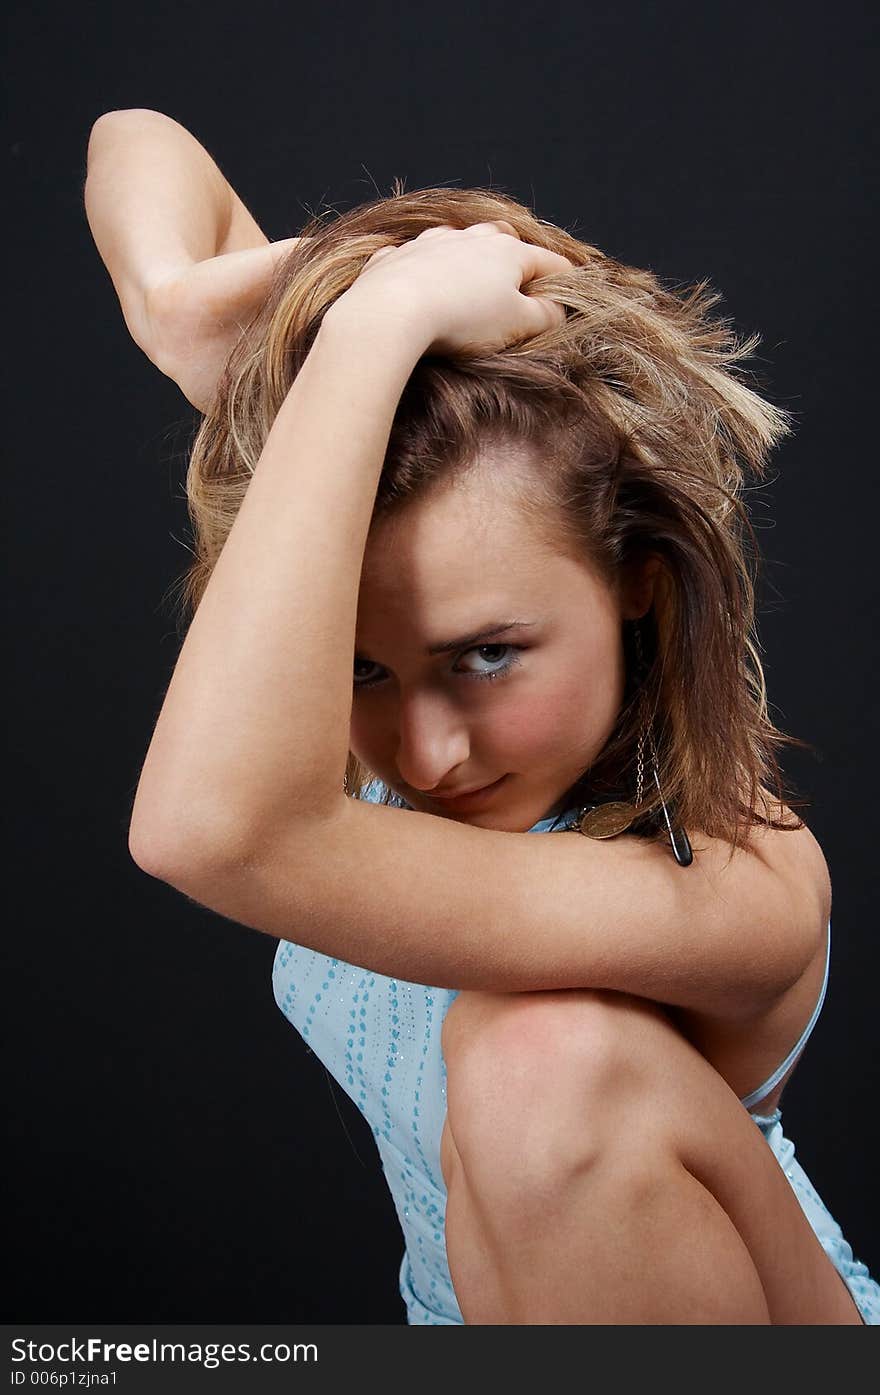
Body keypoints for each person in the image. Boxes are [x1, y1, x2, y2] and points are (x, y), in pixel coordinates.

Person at [85, 108, 879, 1325]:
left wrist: (371, 327)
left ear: (635, 579)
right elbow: (133, 138)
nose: (425, 751)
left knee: (537, 1062)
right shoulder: (369, 592)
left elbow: (211, 831)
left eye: (489, 657)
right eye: (359, 674)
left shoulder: (730, 874)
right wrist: (213, 303)